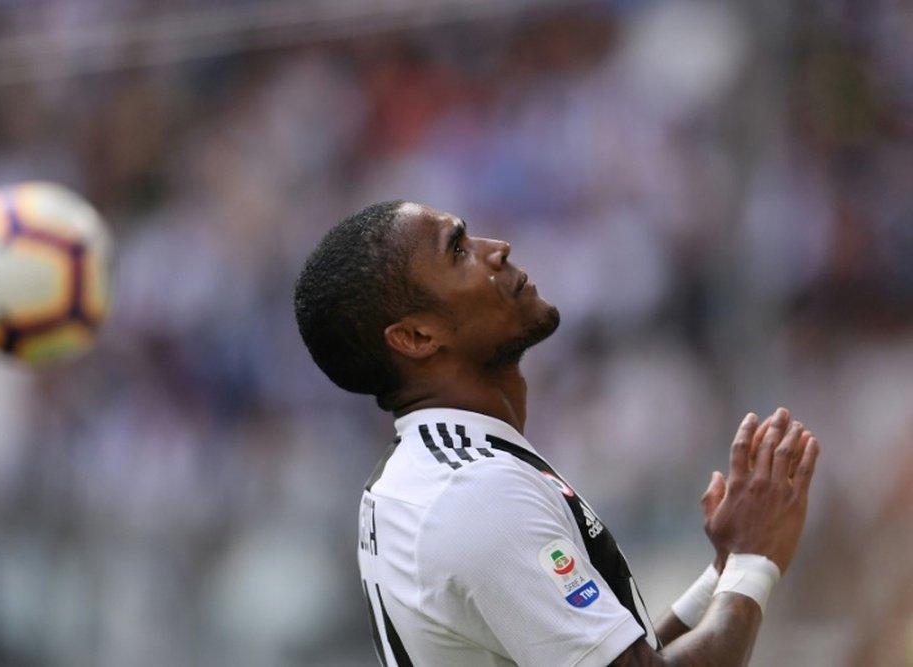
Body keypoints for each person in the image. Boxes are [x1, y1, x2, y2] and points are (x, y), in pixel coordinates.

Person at [293, 200, 820, 666]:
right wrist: (755, 560)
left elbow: (609, 655)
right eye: (457, 250)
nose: (496, 248)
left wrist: (722, 574)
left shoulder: (434, 472)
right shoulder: (472, 493)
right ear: (416, 336)